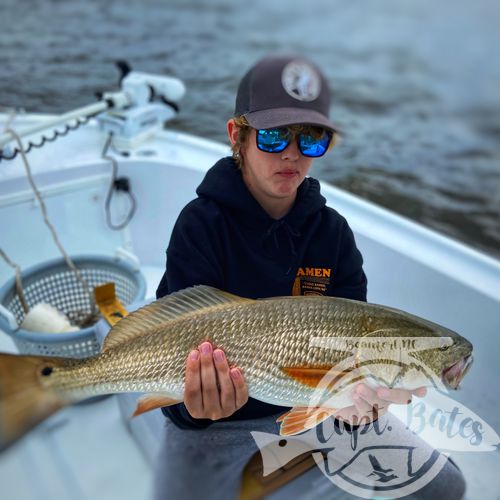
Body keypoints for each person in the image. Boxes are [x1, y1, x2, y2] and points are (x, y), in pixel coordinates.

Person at [154, 55, 465, 500]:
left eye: (312, 138)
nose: (293, 154)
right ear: (236, 135)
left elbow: (351, 368)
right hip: (220, 423)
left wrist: (358, 408)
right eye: (275, 134)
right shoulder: (199, 226)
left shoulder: (333, 234)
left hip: (318, 411)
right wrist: (195, 410)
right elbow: (173, 355)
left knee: (443, 487)